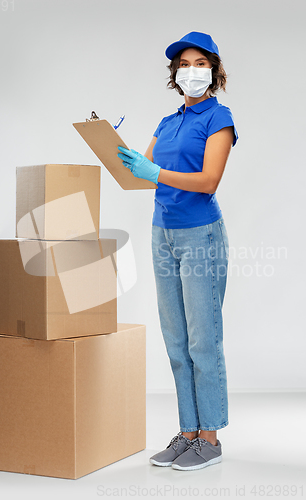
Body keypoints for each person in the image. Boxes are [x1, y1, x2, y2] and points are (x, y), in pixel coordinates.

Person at [117, 31, 238, 471]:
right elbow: (143, 176)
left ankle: (211, 438)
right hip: (161, 233)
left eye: (200, 63)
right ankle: (188, 432)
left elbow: (208, 181)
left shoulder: (218, 118)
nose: (191, 71)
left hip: (200, 235)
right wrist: (121, 156)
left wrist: (156, 170)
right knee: (176, 340)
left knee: (204, 340)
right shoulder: (168, 123)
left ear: (214, 70)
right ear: (174, 73)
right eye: (184, 64)